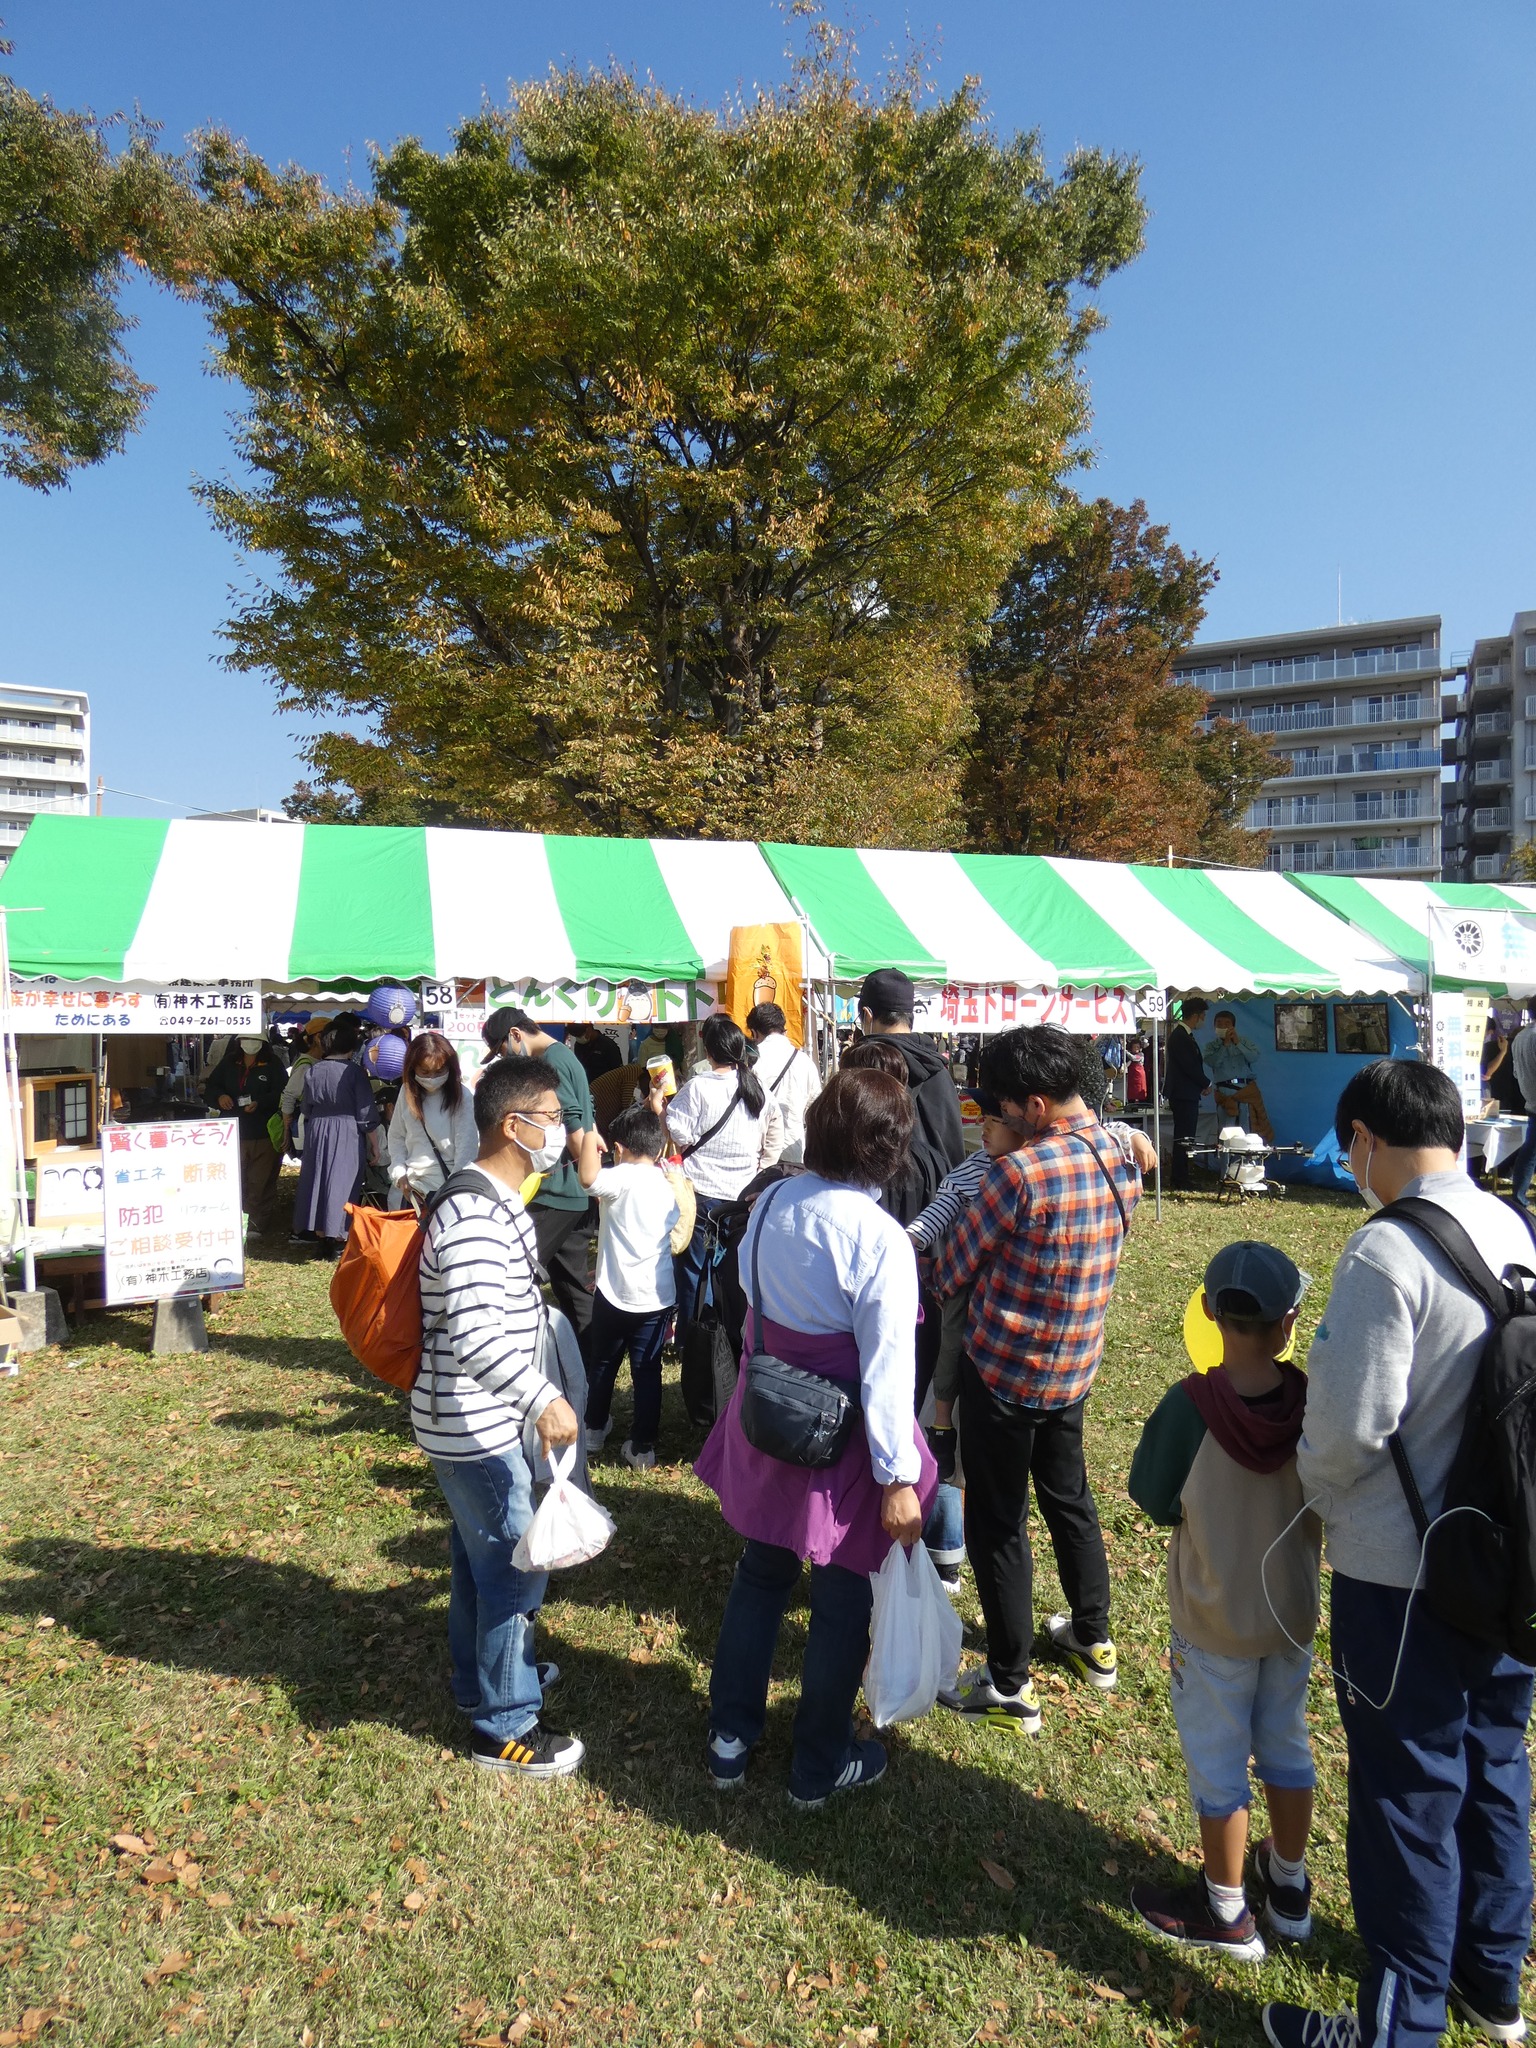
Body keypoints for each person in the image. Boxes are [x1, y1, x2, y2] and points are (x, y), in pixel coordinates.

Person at [1263, 1059, 1536, 2048]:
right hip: (1509, 1556)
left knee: (1407, 1795)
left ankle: (1398, 2024)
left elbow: (1344, 1430)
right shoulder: (1512, 1224)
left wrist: (1315, 1497)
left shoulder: (1384, 1251)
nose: (1351, 1166)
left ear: (1368, 1137)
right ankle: (1490, 1981)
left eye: (1350, 1149)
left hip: (1403, 1570)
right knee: (1495, 1760)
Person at [696, 1068, 937, 1808]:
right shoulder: (880, 1238)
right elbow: (889, 1369)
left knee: (759, 1573)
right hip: (847, 1437)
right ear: (890, 1149)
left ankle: (729, 1738)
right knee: (840, 1598)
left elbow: (749, 1291)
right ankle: (817, 1763)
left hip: (770, 1407)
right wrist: (899, 1477)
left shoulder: (771, 1202)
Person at [933, 1024, 1140, 1734]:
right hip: (1076, 1363)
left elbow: (950, 1269)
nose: (992, 1116)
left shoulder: (1018, 1174)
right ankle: (1093, 1636)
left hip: (1003, 1373)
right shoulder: (1120, 1148)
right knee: (1069, 1498)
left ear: (1035, 1103)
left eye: (1000, 1105)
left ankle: (1008, 1680)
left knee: (998, 1524)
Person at [1127, 1241, 1319, 1961]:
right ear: (1289, 1321)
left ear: (1208, 1312)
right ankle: (1291, 1886)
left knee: (1218, 1763)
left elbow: (1151, 1496)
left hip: (1211, 1618)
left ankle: (1227, 1908)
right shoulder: (1311, 1402)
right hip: (1290, 1615)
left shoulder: (1189, 1406)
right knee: (1286, 1743)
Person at [414, 1055, 595, 1779]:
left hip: (473, 1419)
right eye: (551, 1118)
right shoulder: (474, 1212)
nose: (561, 1130)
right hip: (474, 1425)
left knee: (478, 1562)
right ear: (512, 1124)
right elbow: (475, 1332)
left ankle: (481, 1681)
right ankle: (506, 1725)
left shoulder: (492, 1200)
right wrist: (542, 1398)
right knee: (516, 1570)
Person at [577, 1100, 683, 1471]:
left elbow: (587, 1178)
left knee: (603, 1363)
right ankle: (642, 1448)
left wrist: (590, 1136)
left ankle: (592, 1430)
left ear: (619, 1149)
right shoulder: (668, 1180)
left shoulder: (619, 1178)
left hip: (613, 1293)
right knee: (647, 1371)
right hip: (656, 1297)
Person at [481, 1007, 600, 1336]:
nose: (503, 1059)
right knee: (572, 1288)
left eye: (502, 1051)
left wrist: (593, 1179)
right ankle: (592, 1364)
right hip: (568, 1190)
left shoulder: (551, 1061)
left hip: (557, 1191)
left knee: (517, 1273)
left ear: (515, 1035)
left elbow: (574, 1121)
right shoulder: (562, 1055)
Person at [665, 1013, 784, 1329]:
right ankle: (731, 1334)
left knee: (695, 1270)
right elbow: (775, 1129)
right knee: (734, 1271)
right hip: (741, 1197)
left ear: (709, 1050)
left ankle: (698, 1338)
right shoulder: (756, 1088)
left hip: (702, 1194)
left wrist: (661, 1108)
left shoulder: (698, 1087)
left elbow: (681, 1134)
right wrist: (762, 1167)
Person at [854, 968, 963, 1225]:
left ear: (867, 1015)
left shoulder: (866, 1064)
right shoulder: (938, 1067)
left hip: (878, 1204)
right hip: (937, 1209)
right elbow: (953, 1144)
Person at [291, 1017, 380, 1257]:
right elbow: (365, 1112)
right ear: (351, 1046)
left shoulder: (313, 1070)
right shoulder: (354, 1073)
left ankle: (321, 1236)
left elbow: (306, 1107)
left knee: (317, 1180)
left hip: (317, 1129)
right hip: (347, 1129)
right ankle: (339, 1236)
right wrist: (375, 1145)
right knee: (344, 1181)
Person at [203, 1031, 288, 1239]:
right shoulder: (229, 1063)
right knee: (234, 1177)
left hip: (263, 1132)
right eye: (247, 1040)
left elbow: (282, 1093)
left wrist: (261, 1102)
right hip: (233, 1131)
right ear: (239, 1042)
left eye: (256, 1040)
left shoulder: (273, 1064)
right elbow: (210, 1088)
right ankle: (232, 1218)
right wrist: (220, 1096)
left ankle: (256, 1223)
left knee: (260, 1180)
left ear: (263, 1043)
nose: (250, 1044)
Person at [387, 1032, 478, 1207]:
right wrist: (400, 1174)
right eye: (425, 1072)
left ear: (450, 1068)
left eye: (439, 1071)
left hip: (447, 1187)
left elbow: (467, 1147)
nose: (432, 1078)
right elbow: (396, 1136)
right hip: (411, 1189)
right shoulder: (406, 1092)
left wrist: (454, 1188)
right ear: (413, 1068)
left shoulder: (462, 1095)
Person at [746, 1003, 822, 1166]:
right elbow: (815, 1107)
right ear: (783, 1030)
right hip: (793, 1148)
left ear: (754, 1032)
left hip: (759, 1151)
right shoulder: (805, 1061)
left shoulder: (751, 1061)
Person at [1204, 1009, 1275, 1143]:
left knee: (1246, 1132)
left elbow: (1253, 1057)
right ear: (1214, 1026)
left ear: (1233, 1026)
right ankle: (1225, 1163)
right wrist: (1225, 1046)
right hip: (1225, 1094)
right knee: (1226, 1133)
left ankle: (1243, 1161)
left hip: (1244, 1092)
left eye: (1227, 1023)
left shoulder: (1244, 1042)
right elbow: (1211, 1061)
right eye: (1219, 1023)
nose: (1223, 1026)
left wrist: (1237, 1043)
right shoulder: (1211, 1046)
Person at [1165, 998, 1212, 1192]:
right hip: (1183, 1094)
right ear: (1195, 1015)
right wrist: (1205, 1082)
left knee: (1186, 1136)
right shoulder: (1180, 1036)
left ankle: (1182, 1175)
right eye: (1202, 1016)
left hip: (1187, 1092)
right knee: (1184, 1137)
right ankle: (1180, 1177)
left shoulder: (1185, 1034)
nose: (1203, 1020)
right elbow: (1189, 1065)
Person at [1502, 1017, 1536, 1207]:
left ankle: (1519, 1193)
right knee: (1530, 1151)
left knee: (1530, 1150)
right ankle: (1519, 1195)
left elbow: (1516, 1072)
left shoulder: (1521, 1036)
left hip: (1530, 1099)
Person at [569, 1022, 623, 1086]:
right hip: (586, 1085)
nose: (578, 1038)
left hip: (605, 1087)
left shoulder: (608, 1045)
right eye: (576, 1036)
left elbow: (618, 1071)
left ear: (589, 1030)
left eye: (580, 1035)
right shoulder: (578, 1045)